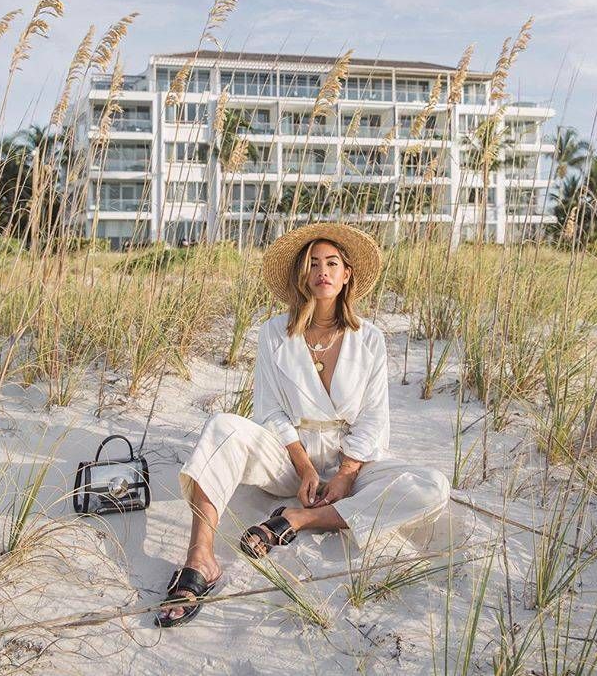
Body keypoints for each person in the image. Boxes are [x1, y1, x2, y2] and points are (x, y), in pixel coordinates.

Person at [155, 221, 451, 627]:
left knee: (432, 486)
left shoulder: (371, 338)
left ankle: (296, 519)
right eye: (313, 263)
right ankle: (200, 557)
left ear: (347, 275)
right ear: (302, 274)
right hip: (290, 459)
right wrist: (304, 467)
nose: (322, 272)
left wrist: (346, 475)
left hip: (354, 460)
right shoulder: (274, 332)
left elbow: (373, 416)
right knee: (223, 426)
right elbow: (270, 410)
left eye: (332, 263)